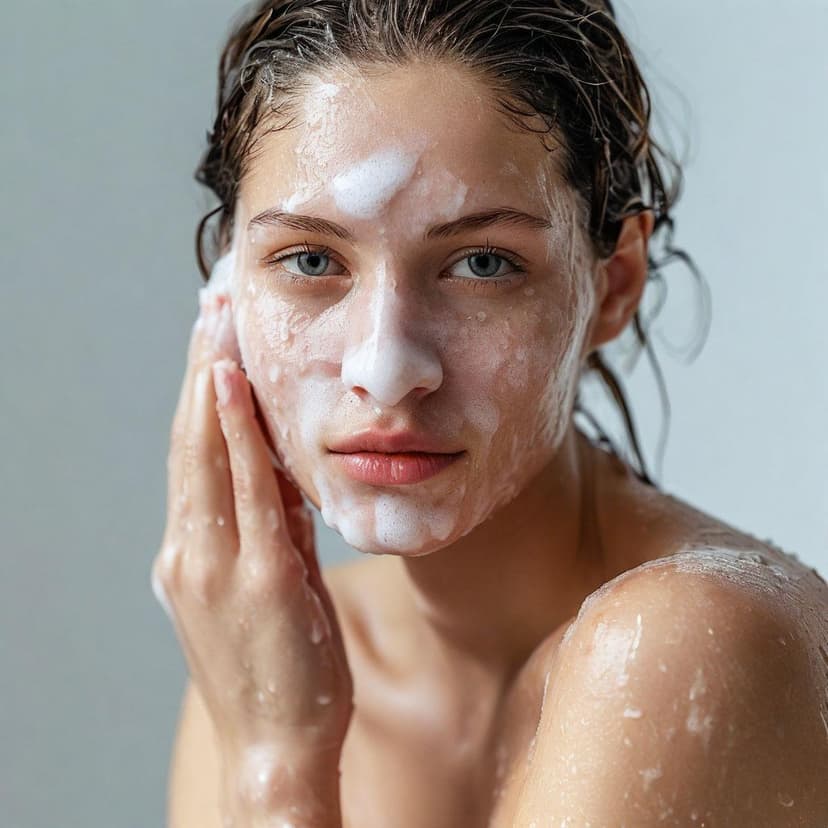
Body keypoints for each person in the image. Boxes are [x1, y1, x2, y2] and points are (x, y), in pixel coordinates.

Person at [151, 1, 828, 825]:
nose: (388, 369)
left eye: (482, 263)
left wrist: (275, 765)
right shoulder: (278, 647)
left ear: (612, 286)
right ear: (227, 302)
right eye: (311, 259)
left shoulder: (676, 645)